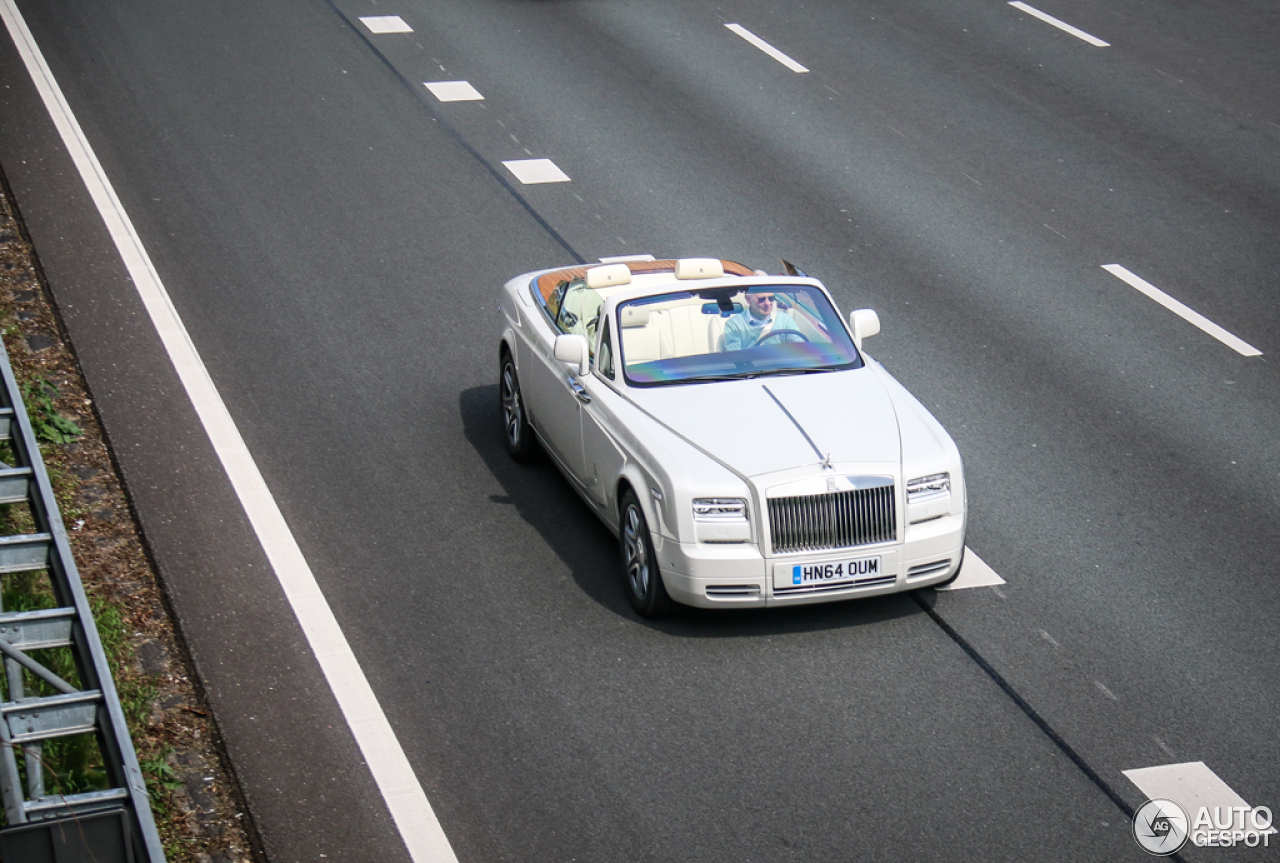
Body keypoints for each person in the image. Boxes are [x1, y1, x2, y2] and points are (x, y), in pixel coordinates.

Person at [722, 291, 802, 351]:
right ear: (748, 299)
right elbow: (735, 358)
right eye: (761, 299)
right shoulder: (734, 324)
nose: (767, 303)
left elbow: (798, 349)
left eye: (771, 298)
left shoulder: (785, 320)